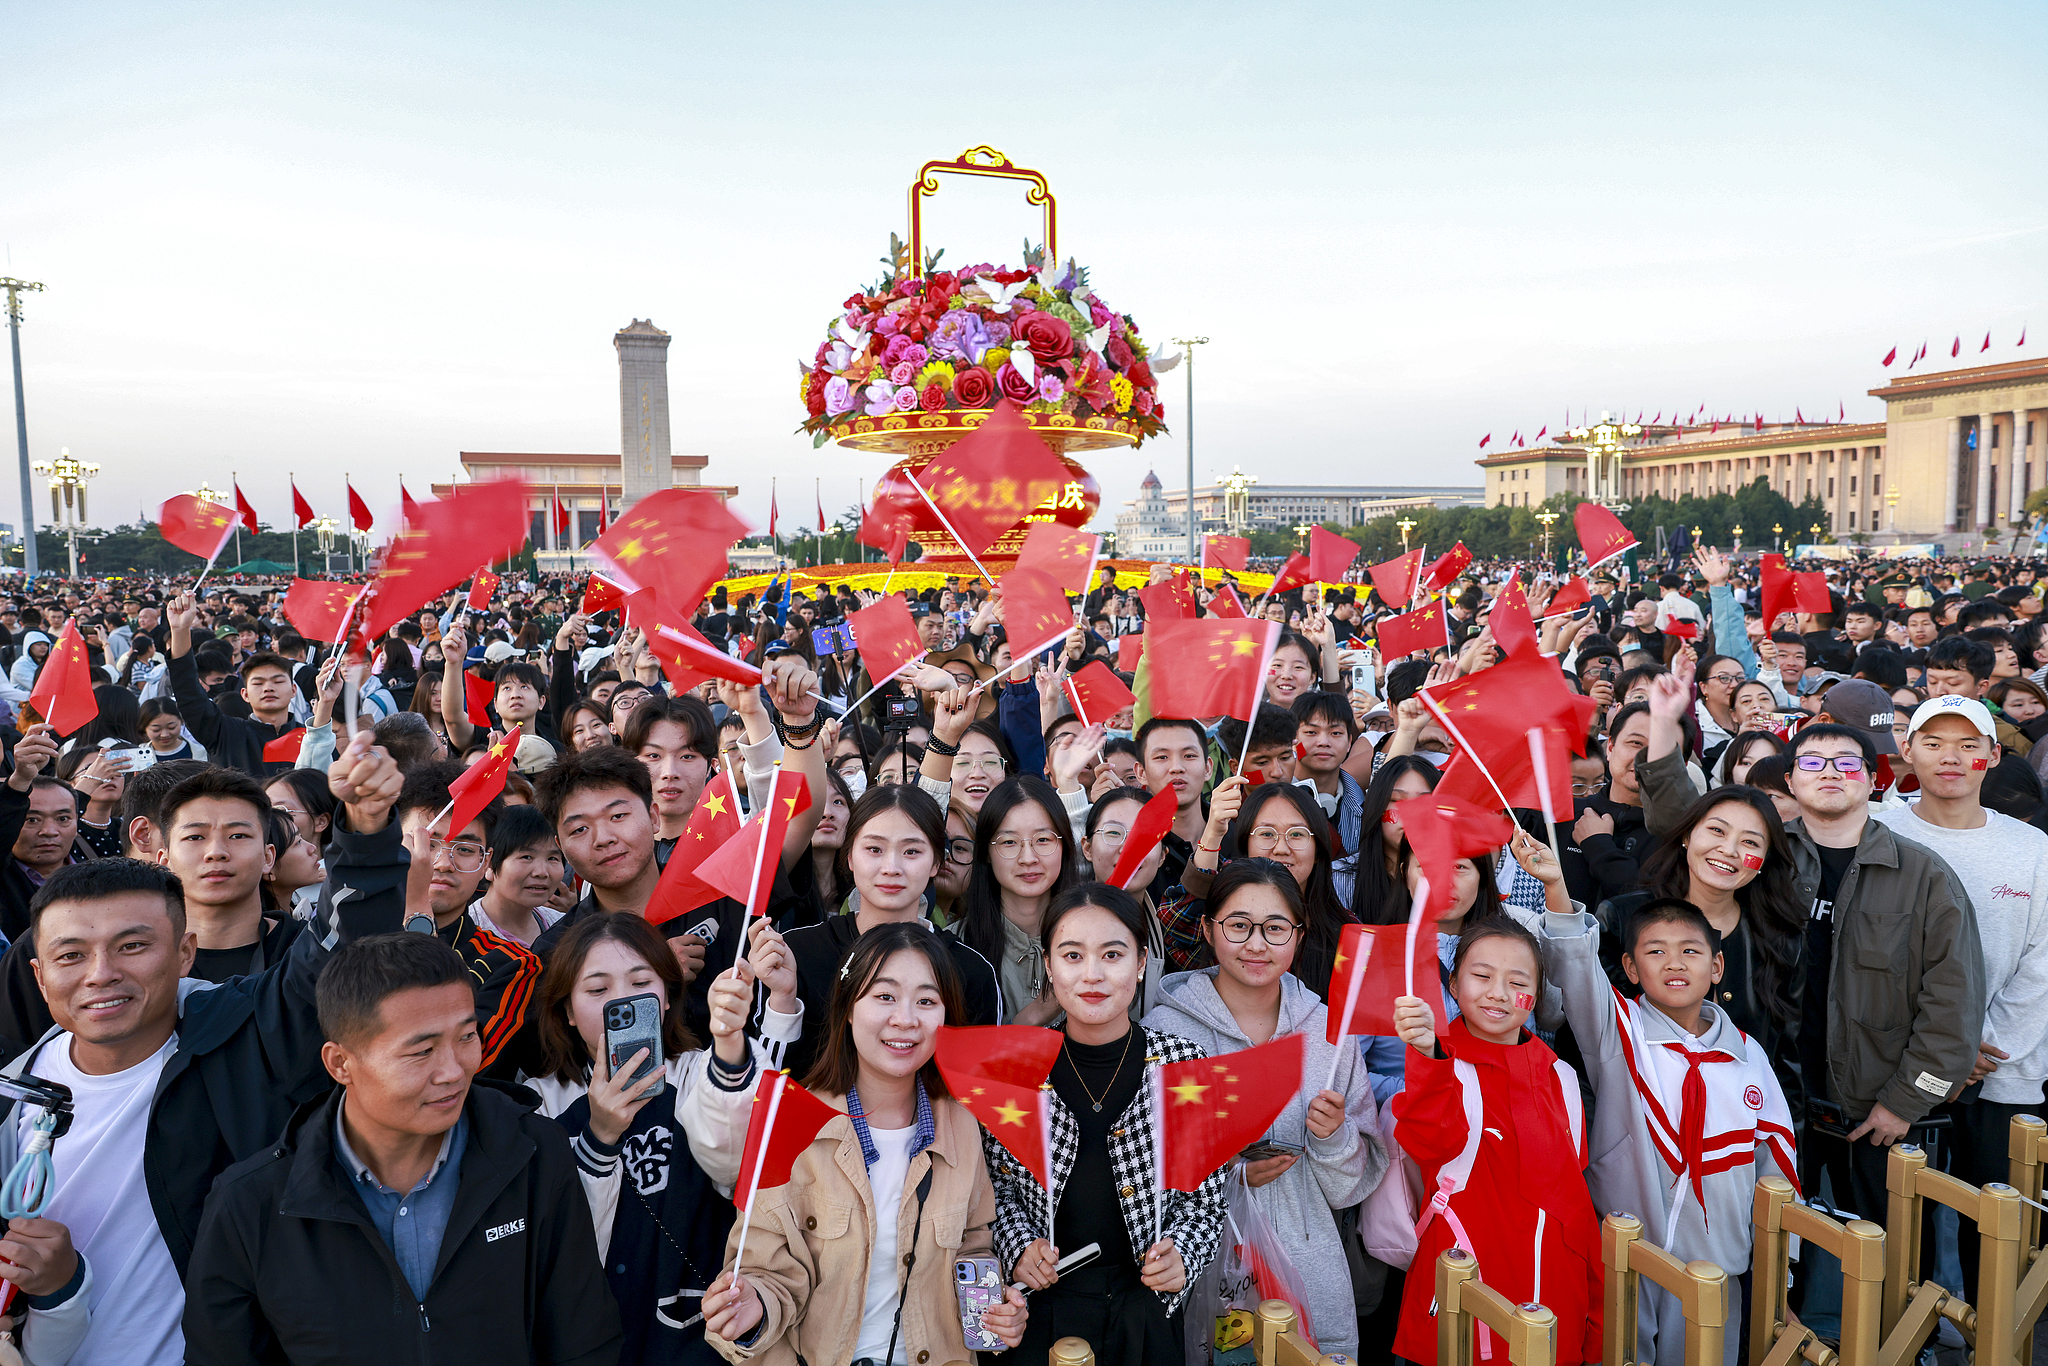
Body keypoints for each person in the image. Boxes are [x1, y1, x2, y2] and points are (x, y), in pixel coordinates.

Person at [0, 731, 407, 1361]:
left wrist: (366, 829)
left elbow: (340, 952)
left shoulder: (241, 1035)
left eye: (133, 946)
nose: (101, 973)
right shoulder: (15, 1096)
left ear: (185, 953)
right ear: (38, 975)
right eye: (71, 955)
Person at [183, 932, 623, 1366]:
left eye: (467, 1036)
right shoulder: (250, 1205)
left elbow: (582, 1338)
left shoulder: (533, 1154)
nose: (453, 1070)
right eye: (422, 1051)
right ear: (340, 1063)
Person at [1637, 710, 1984, 1243]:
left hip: (1875, 1109)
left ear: (1875, 778)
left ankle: (1897, 1331)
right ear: (1792, 781)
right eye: (1813, 762)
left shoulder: (1924, 875)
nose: (1830, 772)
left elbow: (1954, 1000)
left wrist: (1906, 1102)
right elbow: (1687, 835)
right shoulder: (1761, 860)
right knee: (1772, 1248)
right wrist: (1661, 728)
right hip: (1769, 1097)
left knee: (1884, 1253)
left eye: (1847, 763)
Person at [701, 922, 1028, 1366]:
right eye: (885, 996)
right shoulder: (792, 1122)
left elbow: (973, 1244)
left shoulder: (961, 1121)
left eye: (927, 1001)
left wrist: (994, 1310)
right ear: (849, 1006)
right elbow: (762, 1269)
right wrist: (753, 1307)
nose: (906, 1019)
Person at [1141, 860, 1387, 1360]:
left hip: (1308, 1261)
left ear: (1299, 935)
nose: (1257, 944)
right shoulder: (1164, 1031)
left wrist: (1334, 1138)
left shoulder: (1327, 1032)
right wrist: (1227, 1175)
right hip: (1198, 1268)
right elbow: (1137, 1167)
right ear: (1209, 929)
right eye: (1239, 925)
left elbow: (1348, 1190)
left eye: (1276, 928)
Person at [532, 912, 798, 1365]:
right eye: (598, 990)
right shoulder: (541, 1103)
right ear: (567, 1012)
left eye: (641, 984)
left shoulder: (697, 1073)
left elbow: (734, 1162)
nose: (624, 1002)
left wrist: (729, 1047)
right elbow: (559, 1252)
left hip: (695, 1340)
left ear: (669, 996)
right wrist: (598, 1138)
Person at [1540, 896, 1796, 1366]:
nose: (1674, 963)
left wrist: (1778, 1268)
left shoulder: (1748, 1055)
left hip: (1718, 1268)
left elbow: (1775, 1163)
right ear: (1630, 967)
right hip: (1627, 1261)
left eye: (1691, 951)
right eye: (1655, 951)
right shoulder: (1620, 1032)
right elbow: (1577, 970)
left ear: (1717, 966)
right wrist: (1556, 889)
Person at [993, 884, 1227, 1364]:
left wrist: (1182, 1254)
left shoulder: (1182, 1065)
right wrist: (1017, 1247)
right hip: (1040, 1312)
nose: (1093, 975)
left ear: (1141, 963)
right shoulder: (1015, 1072)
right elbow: (992, 1190)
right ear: (1050, 965)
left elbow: (1206, 1197)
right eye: (1073, 955)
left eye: (1113, 954)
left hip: (1146, 1311)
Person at [1870, 693, 2048, 1300]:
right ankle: (1903, 1339)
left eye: (1969, 745)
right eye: (1935, 743)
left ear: (1993, 757)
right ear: (1907, 752)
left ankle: (1989, 1342)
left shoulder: (2031, 850)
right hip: (1895, 1065)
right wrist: (1940, 1050)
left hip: (1998, 1070)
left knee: (1995, 1226)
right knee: (1895, 1224)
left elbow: (2038, 967)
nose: (1951, 758)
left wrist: (1972, 1047)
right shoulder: (1875, 830)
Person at [1389, 918, 1603, 1366]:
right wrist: (1428, 1056)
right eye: (1482, 976)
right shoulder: (1441, 1067)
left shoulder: (1561, 1077)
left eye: (1518, 981)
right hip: (1463, 1295)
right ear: (1453, 982)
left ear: (1538, 994)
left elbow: (1576, 1209)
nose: (1499, 993)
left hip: (1555, 1305)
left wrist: (1596, 1320)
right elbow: (1430, 1141)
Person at [775, 785, 1000, 1078]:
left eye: (911, 851)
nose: (891, 867)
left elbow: (976, 1087)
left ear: (936, 862)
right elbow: (768, 1078)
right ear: (851, 856)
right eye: (874, 849)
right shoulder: (799, 953)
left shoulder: (969, 969)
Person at [391, 762, 546, 1080]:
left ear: (486, 862)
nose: (443, 863)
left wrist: (417, 906)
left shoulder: (512, 963)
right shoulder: (353, 931)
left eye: (464, 849)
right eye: (428, 844)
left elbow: (458, 1068)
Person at [947, 775, 1079, 1026]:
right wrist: (1037, 1013)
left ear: (1065, 846)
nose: (1028, 858)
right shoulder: (954, 947)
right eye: (1009, 842)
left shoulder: (1093, 942)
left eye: (1043, 840)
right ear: (985, 852)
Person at [165, 593, 302, 777]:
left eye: (277, 681)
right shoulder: (225, 733)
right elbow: (189, 694)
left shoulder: (310, 738)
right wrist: (180, 631)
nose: (268, 688)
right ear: (244, 694)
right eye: (258, 683)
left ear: (293, 690)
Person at [470, 803, 568, 947]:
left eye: (552, 858)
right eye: (527, 857)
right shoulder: (465, 934)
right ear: (488, 864)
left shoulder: (565, 928)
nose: (541, 872)